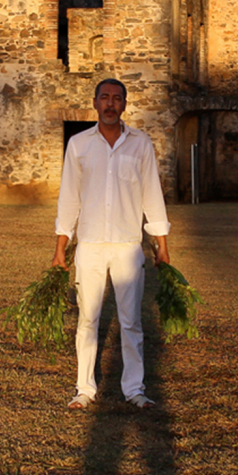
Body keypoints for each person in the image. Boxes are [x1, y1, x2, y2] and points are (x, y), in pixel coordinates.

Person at [53, 78, 172, 410]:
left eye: (116, 98)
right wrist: (61, 247)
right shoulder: (78, 144)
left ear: (124, 104)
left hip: (127, 245)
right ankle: (84, 389)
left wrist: (161, 243)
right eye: (104, 97)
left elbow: (152, 194)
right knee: (88, 319)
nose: (109, 104)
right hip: (90, 245)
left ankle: (134, 389)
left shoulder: (140, 144)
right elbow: (68, 199)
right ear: (94, 103)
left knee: (131, 321)